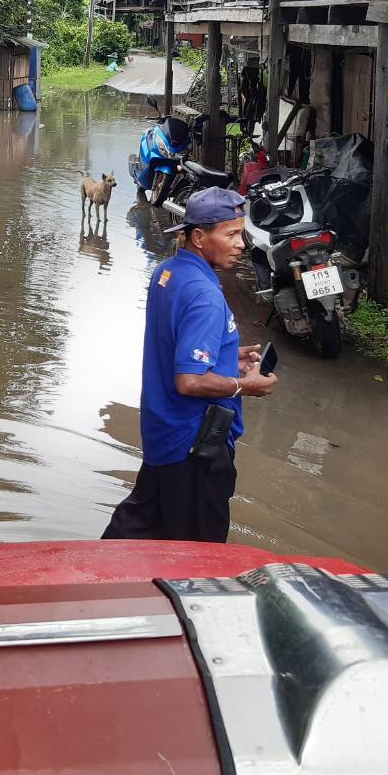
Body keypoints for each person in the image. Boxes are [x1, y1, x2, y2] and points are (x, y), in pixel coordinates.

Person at [102, 187, 277, 543]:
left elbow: (175, 340)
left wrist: (228, 356)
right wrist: (246, 385)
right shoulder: (205, 295)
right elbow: (190, 381)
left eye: (241, 233)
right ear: (199, 236)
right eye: (231, 234)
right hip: (194, 447)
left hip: (161, 432)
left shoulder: (168, 272)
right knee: (198, 551)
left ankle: (91, 581)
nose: (241, 244)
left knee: (139, 526)